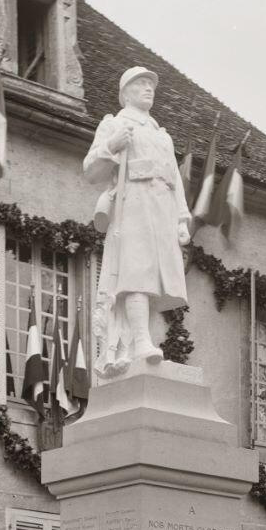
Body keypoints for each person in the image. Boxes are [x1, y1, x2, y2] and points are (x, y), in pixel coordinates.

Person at [84, 66, 191, 373]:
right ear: (125, 92)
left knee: (156, 275)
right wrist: (112, 144)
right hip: (133, 202)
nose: (148, 89)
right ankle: (140, 342)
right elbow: (91, 169)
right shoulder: (115, 124)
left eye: (151, 85)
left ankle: (140, 342)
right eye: (141, 84)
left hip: (161, 207)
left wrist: (181, 217)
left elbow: (175, 179)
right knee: (136, 272)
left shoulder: (161, 134)